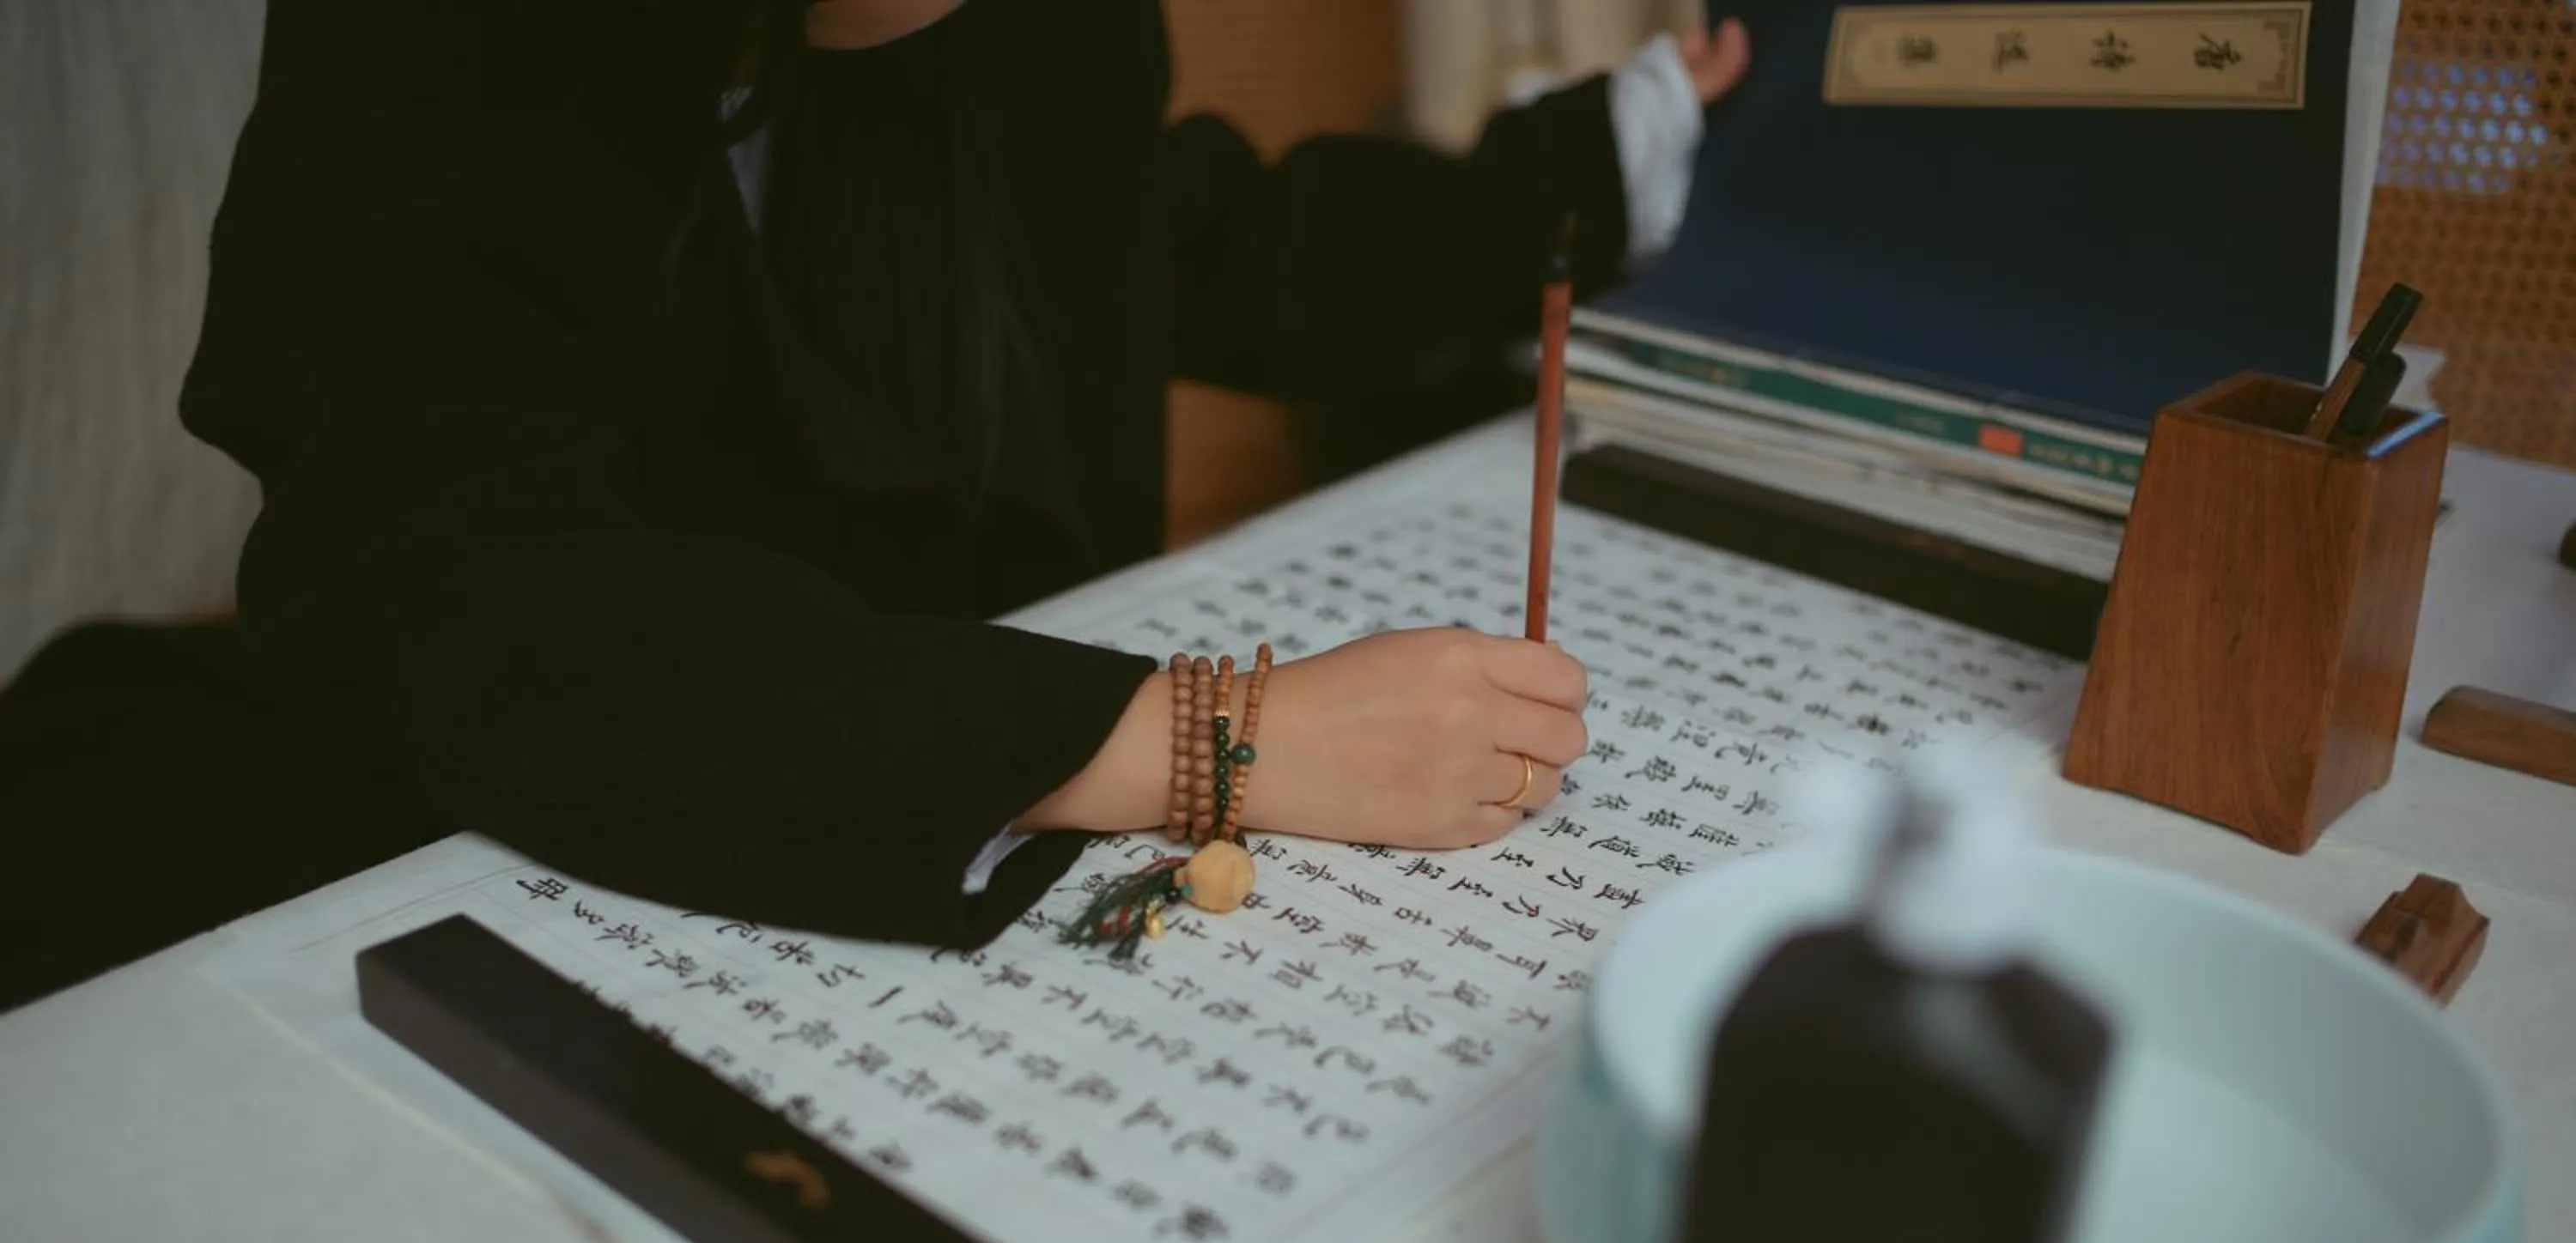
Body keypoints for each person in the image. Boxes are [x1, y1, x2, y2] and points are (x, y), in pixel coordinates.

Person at [0, 0, 1749, 1009]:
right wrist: (1224, 737)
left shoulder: (1024, 38)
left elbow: (1179, 244)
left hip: (922, 814)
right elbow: (485, 604)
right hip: (532, 868)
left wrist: (1594, 160)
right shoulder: (444, 50)